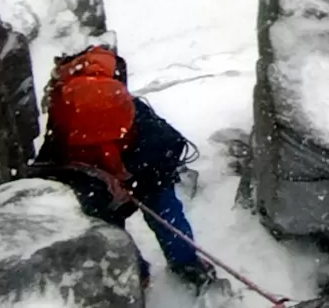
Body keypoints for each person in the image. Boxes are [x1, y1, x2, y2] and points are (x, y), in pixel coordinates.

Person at [28, 44, 214, 288]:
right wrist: (142, 176)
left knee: (106, 224)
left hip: (98, 174)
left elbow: (56, 149)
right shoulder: (122, 99)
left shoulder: (65, 100)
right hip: (144, 156)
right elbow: (168, 141)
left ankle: (135, 272)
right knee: (165, 211)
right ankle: (187, 263)